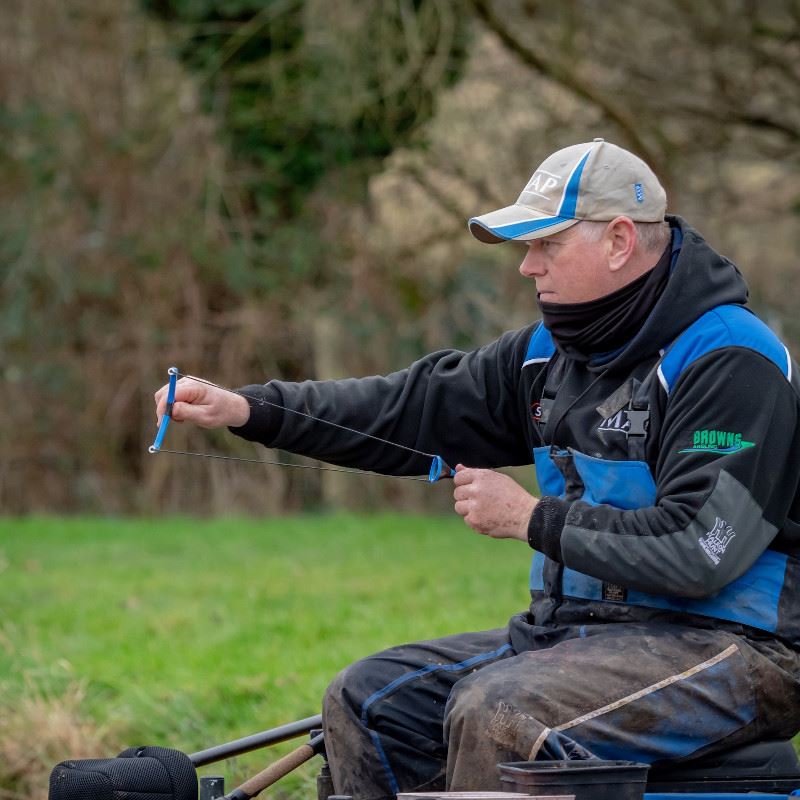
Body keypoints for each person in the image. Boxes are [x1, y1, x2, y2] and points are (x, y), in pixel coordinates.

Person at [155, 139, 800, 798]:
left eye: (545, 244)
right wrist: (248, 409)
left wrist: (530, 518)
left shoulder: (731, 361)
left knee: (499, 713)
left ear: (618, 241)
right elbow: (404, 409)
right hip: (576, 637)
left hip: (737, 650)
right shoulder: (548, 355)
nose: (527, 266)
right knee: (367, 699)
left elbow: (698, 550)